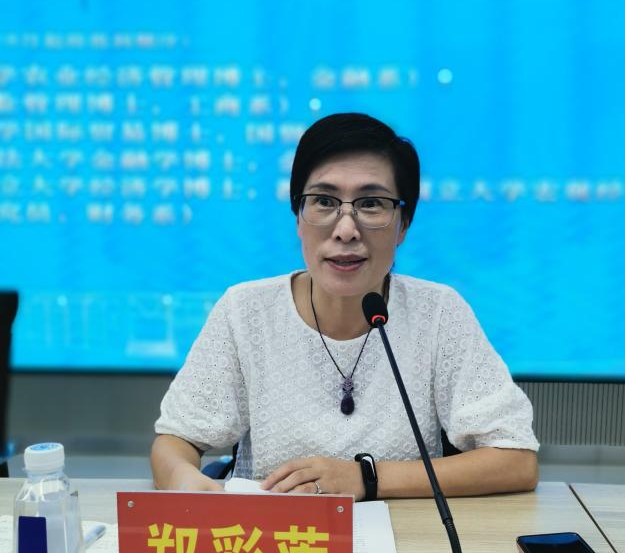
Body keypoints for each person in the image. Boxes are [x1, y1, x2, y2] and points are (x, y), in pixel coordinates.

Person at [151, 112, 539, 498]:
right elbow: (174, 442)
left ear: (403, 225)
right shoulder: (246, 311)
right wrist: (182, 479)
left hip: (406, 533)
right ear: (298, 217)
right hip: (278, 535)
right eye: (324, 201)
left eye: (371, 204)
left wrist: (367, 478)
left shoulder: (438, 313)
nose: (346, 230)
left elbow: (517, 460)